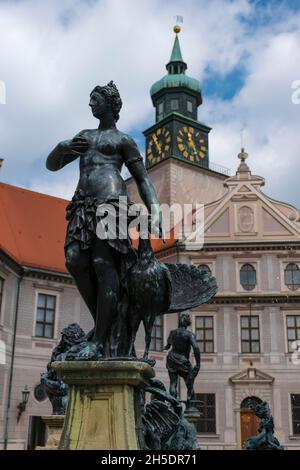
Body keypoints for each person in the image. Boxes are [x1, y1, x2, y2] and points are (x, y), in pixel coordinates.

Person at [46, 81, 163, 359]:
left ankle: (99, 341)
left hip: (112, 204)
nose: (90, 104)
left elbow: (143, 179)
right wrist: (61, 147)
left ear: (109, 103)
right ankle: (103, 325)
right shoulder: (83, 136)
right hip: (82, 205)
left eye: (95, 99)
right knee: (74, 260)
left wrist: (155, 209)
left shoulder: (123, 140)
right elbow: (52, 165)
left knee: (102, 263)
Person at [165, 312, 200, 410]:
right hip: (183, 360)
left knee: (173, 383)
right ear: (187, 323)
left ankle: (173, 405)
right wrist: (198, 364)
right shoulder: (189, 335)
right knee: (189, 382)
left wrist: (167, 346)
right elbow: (196, 348)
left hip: (171, 358)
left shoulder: (173, 332)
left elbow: (167, 346)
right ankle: (191, 406)